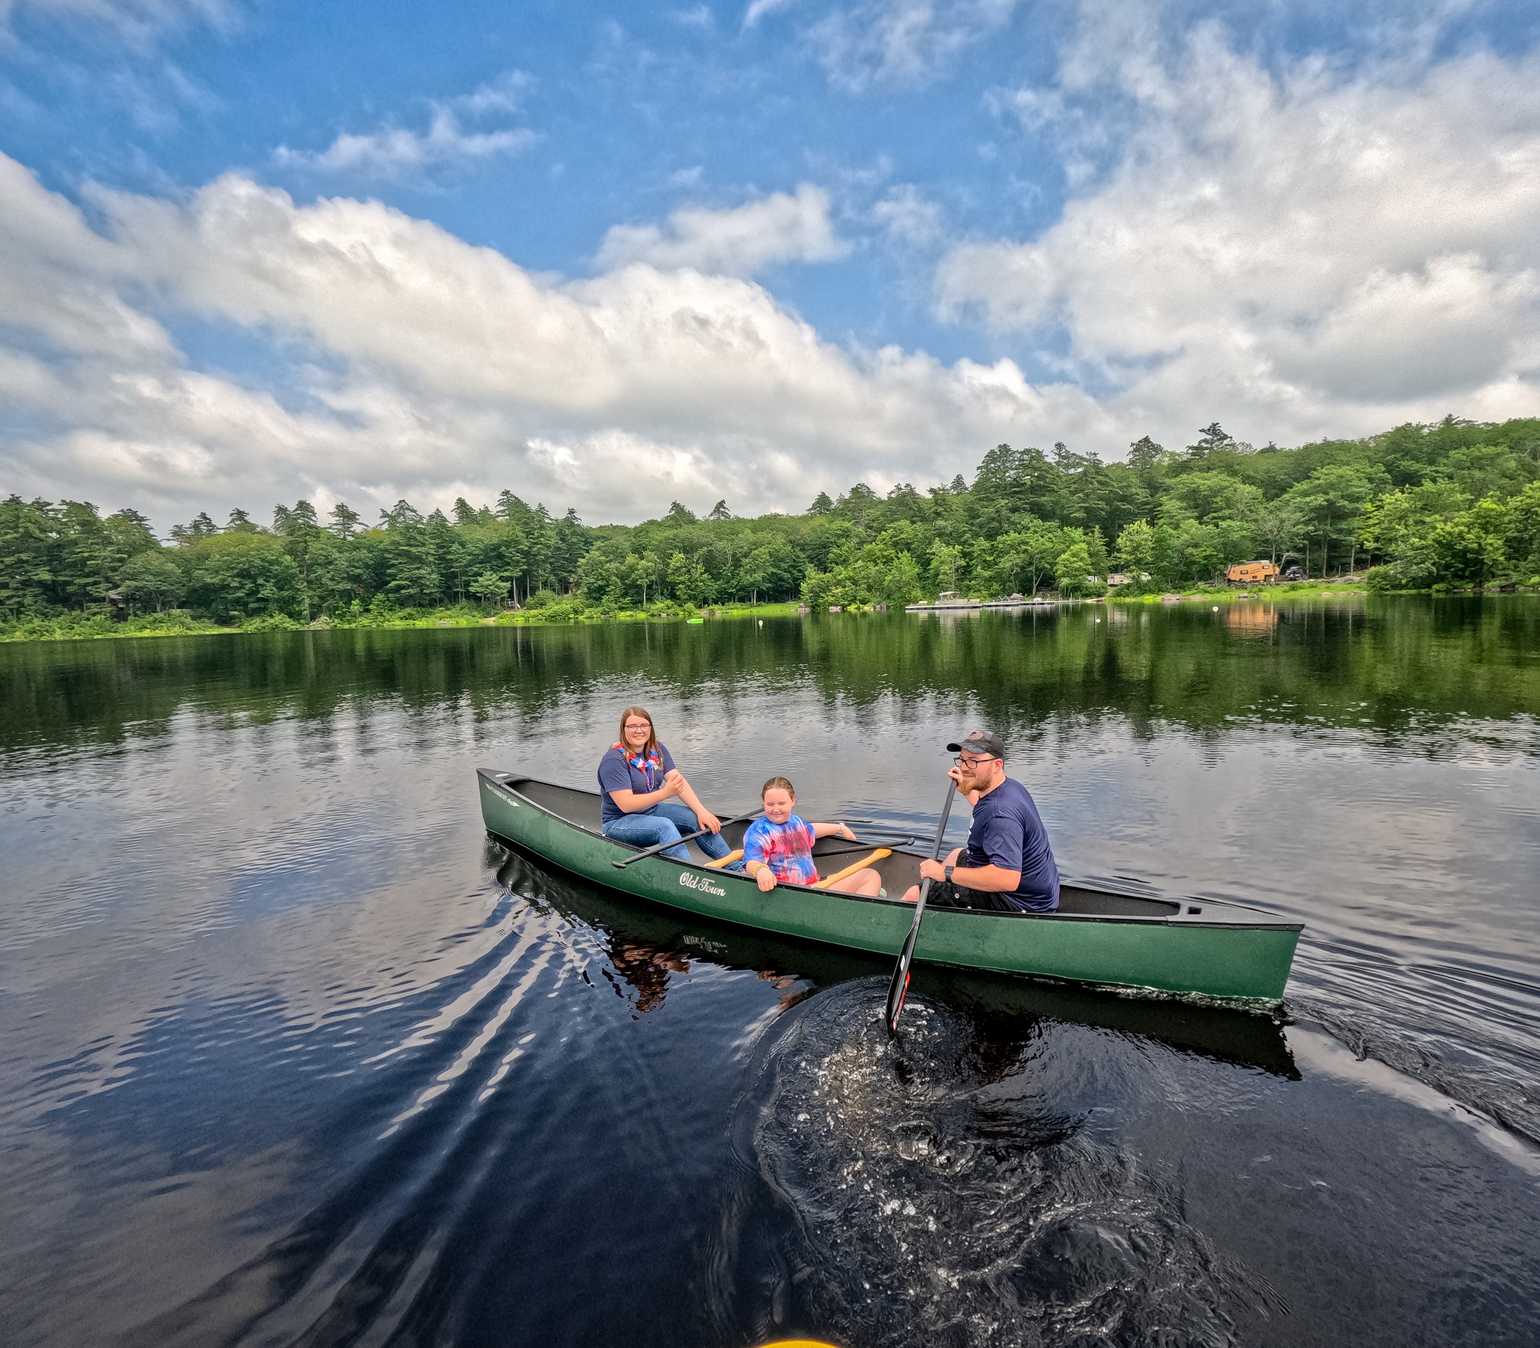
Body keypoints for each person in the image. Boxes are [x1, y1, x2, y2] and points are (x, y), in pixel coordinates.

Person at [901, 730, 1059, 912]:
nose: (965, 767)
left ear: (997, 765)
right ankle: (938, 903)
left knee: (914, 894)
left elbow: (1007, 878)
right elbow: (988, 816)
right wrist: (968, 790)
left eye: (974, 761)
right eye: (962, 759)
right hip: (1039, 893)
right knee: (955, 855)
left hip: (1016, 902)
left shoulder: (1000, 814)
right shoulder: (1008, 788)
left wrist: (944, 873)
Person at [598, 706, 736, 865]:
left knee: (695, 818)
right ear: (623, 729)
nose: (639, 730)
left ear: (650, 728)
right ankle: (688, 874)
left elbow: (679, 782)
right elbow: (626, 805)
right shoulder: (614, 760)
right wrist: (665, 793)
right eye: (632, 726)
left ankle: (736, 868)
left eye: (643, 725)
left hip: (651, 811)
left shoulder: (657, 750)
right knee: (664, 826)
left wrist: (702, 811)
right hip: (619, 822)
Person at [742, 777, 883, 897]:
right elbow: (751, 862)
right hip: (788, 893)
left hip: (816, 886)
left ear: (793, 801)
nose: (776, 808)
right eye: (770, 804)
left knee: (870, 876)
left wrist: (840, 828)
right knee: (872, 880)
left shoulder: (796, 822)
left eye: (781, 803)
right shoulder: (760, 830)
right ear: (763, 804)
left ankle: (858, 917)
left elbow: (812, 830)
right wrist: (760, 871)